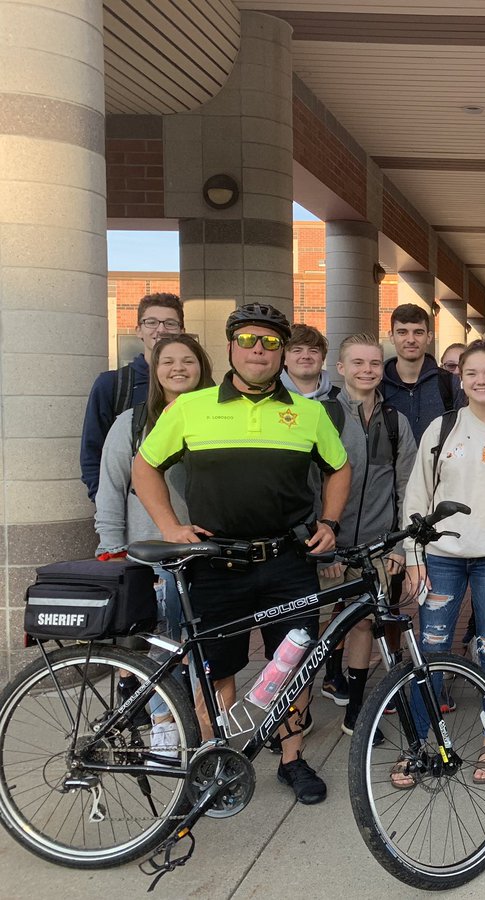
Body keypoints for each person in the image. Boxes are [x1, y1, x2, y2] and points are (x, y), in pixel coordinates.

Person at [132, 303, 350, 805]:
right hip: (214, 562)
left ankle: (292, 760)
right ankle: (215, 761)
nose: (259, 349)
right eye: (249, 340)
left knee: (293, 666)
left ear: (281, 353)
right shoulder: (190, 407)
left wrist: (330, 522)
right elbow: (145, 468)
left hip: (287, 560)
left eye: (271, 343)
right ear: (229, 347)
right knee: (217, 672)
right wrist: (170, 527)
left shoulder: (309, 412)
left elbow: (339, 469)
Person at [395, 338, 485, 788]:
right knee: (433, 647)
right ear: (461, 377)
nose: (481, 380)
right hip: (442, 557)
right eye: (472, 373)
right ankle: (423, 743)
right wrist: (414, 555)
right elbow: (418, 494)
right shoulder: (441, 429)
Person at [94, 334, 215, 759]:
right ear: (154, 368)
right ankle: (164, 728)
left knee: (203, 648)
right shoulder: (130, 424)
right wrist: (111, 550)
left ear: (202, 366)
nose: (178, 368)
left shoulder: (218, 417)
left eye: (188, 360)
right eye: (168, 361)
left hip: (210, 555)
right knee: (162, 647)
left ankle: (202, 730)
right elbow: (109, 490)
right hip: (152, 556)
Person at [317, 334, 417, 736]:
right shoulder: (321, 416)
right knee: (315, 630)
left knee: (363, 625)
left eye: (374, 363)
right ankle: (300, 707)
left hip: (375, 546)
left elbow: (407, 486)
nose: (367, 370)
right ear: (340, 368)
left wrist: (398, 544)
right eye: (357, 363)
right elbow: (308, 484)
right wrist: (323, 549)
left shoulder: (396, 422)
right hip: (325, 545)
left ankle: (356, 709)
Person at [81, 292, 185, 500]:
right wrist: (106, 503)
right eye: (151, 322)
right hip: (133, 516)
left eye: (170, 323)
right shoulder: (113, 385)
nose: (161, 329)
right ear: (139, 330)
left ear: (182, 331)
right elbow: (92, 451)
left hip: (191, 514)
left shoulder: (200, 387)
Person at [381, 303, 461, 439]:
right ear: (391, 336)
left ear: (429, 337)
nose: (411, 340)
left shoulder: (449, 384)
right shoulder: (378, 384)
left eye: (418, 332)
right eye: (402, 332)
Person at [282, 323, 338, 400]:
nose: (306, 356)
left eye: (313, 351)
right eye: (297, 350)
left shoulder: (341, 400)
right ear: (284, 359)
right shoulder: (269, 398)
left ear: (322, 359)